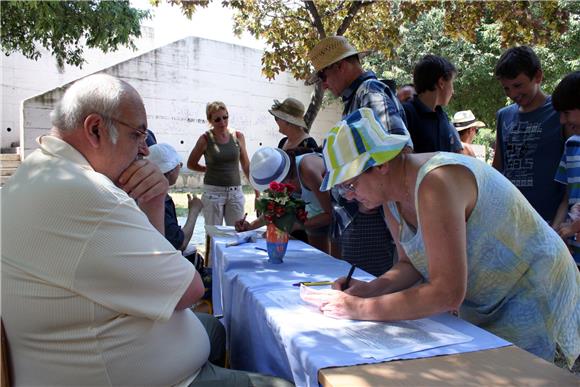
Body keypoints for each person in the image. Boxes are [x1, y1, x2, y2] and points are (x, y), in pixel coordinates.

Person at [1, 74, 292, 386]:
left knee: (215, 329)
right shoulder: (91, 194)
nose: (144, 151)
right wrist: (153, 201)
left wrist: (153, 201)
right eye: (138, 136)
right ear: (95, 129)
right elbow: (189, 290)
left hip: (89, 347)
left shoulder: (36, 173)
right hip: (128, 374)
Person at [308, 107, 580, 368]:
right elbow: (411, 264)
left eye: (350, 184)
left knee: (524, 375)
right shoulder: (390, 197)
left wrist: (359, 308)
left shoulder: (436, 181)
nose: (351, 196)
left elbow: (447, 292)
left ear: (380, 166)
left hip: (535, 289)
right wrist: (369, 289)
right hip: (491, 298)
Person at [307, 35, 410, 274]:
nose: (323, 84)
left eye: (323, 75)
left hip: (369, 220)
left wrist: (368, 204)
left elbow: (399, 149)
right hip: (359, 215)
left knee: (366, 291)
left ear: (340, 66)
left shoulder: (370, 92)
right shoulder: (357, 96)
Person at [492, 46, 564, 223]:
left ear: (538, 76)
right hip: (513, 219)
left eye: (517, 85)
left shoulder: (560, 112)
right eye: (506, 89)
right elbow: (498, 168)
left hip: (551, 220)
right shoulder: (504, 115)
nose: (512, 94)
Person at [236, 147, 331, 254]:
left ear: (282, 178)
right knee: (318, 259)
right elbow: (276, 209)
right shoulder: (286, 177)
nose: (271, 190)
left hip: (342, 213)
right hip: (315, 213)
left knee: (337, 262)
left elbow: (332, 214)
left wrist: (298, 225)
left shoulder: (308, 171)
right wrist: (251, 226)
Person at [187, 101, 251, 226]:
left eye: (225, 117)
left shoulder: (238, 136)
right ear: (210, 121)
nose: (222, 122)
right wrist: (207, 169)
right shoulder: (205, 139)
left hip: (235, 193)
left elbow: (246, 165)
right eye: (217, 120)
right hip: (213, 193)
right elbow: (191, 163)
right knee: (214, 235)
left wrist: (257, 191)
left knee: (236, 232)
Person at [147, 143, 203, 259]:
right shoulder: (157, 201)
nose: (180, 167)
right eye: (179, 165)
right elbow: (180, 244)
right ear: (171, 170)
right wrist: (194, 211)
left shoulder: (148, 193)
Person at [403, 55, 462, 154]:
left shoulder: (443, 117)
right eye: (452, 83)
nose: (453, 91)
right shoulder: (405, 114)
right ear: (441, 83)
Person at [551, 71, 580, 267]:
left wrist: (573, 228)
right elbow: (567, 199)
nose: (563, 121)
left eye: (567, 113)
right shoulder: (571, 146)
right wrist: (553, 236)